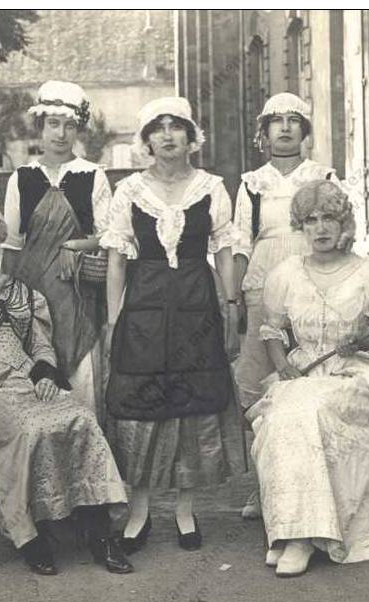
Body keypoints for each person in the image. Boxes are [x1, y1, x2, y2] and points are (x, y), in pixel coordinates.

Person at [0, 196, 132, 576]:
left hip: (28, 377)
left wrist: (44, 372)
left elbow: (40, 341)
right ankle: (31, 533)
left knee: (80, 418)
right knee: (29, 429)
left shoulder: (21, 290)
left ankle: (98, 531)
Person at [248, 179, 369, 577]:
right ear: (300, 227)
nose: (320, 229)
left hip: (356, 375)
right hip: (304, 372)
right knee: (280, 417)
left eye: (329, 219)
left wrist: (363, 339)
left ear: (345, 225)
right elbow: (272, 330)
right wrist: (283, 364)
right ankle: (287, 532)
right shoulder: (285, 273)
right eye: (310, 221)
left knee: (311, 412)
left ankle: (304, 538)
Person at [101, 96, 247, 553]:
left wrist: (230, 304)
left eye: (176, 127)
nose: (167, 136)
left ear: (190, 137)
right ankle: (140, 512)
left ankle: (185, 512)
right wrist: (113, 320)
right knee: (141, 405)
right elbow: (116, 262)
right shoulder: (128, 191)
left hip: (195, 304)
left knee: (192, 404)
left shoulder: (211, 187)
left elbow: (224, 250)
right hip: (143, 305)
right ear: (146, 141)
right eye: (158, 129)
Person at [231, 92, 339, 520]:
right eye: (276, 121)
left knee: (311, 379)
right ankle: (265, 485)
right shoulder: (250, 184)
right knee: (259, 385)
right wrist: (235, 296)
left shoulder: (323, 177)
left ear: (305, 131)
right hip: (263, 286)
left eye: (295, 121)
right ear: (264, 132)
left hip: (314, 284)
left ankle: (316, 485)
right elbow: (239, 242)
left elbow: (340, 230)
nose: (286, 128)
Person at [2, 81, 111, 416]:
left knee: (82, 385)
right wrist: (6, 302)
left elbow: (110, 236)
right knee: (36, 379)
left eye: (69, 126)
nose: (61, 134)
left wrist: (75, 243)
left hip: (76, 293)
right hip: (31, 291)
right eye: (53, 124)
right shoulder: (21, 178)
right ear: (40, 127)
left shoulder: (92, 176)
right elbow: (10, 245)